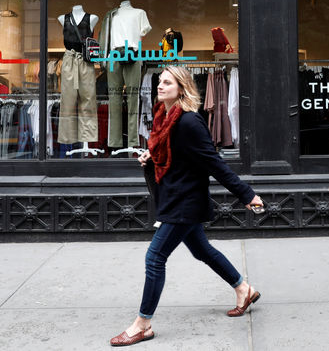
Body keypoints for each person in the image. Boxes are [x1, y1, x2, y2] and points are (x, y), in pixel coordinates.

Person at [109, 65, 264, 347]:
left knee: (154, 258)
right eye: (159, 81)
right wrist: (151, 156)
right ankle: (244, 288)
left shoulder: (190, 122)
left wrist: (246, 194)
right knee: (202, 250)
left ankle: (142, 324)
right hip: (174, 197)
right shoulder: (163, 116)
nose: (160, 86)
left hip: (185, 201)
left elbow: (213, 163)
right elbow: (173, 153)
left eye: (167, 82)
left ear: (181, 88)